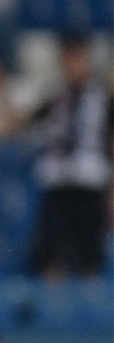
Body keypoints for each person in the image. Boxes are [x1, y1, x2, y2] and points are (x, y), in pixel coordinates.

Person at [25, 33, 112, 278]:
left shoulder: (103, 97)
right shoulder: (55, 97)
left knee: (90, 256)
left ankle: (90, 311)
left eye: (76, 58)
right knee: (51, 254)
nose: (71, 65)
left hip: (90, 183)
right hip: (57, 183)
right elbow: (26, 121)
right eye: (67, 58)